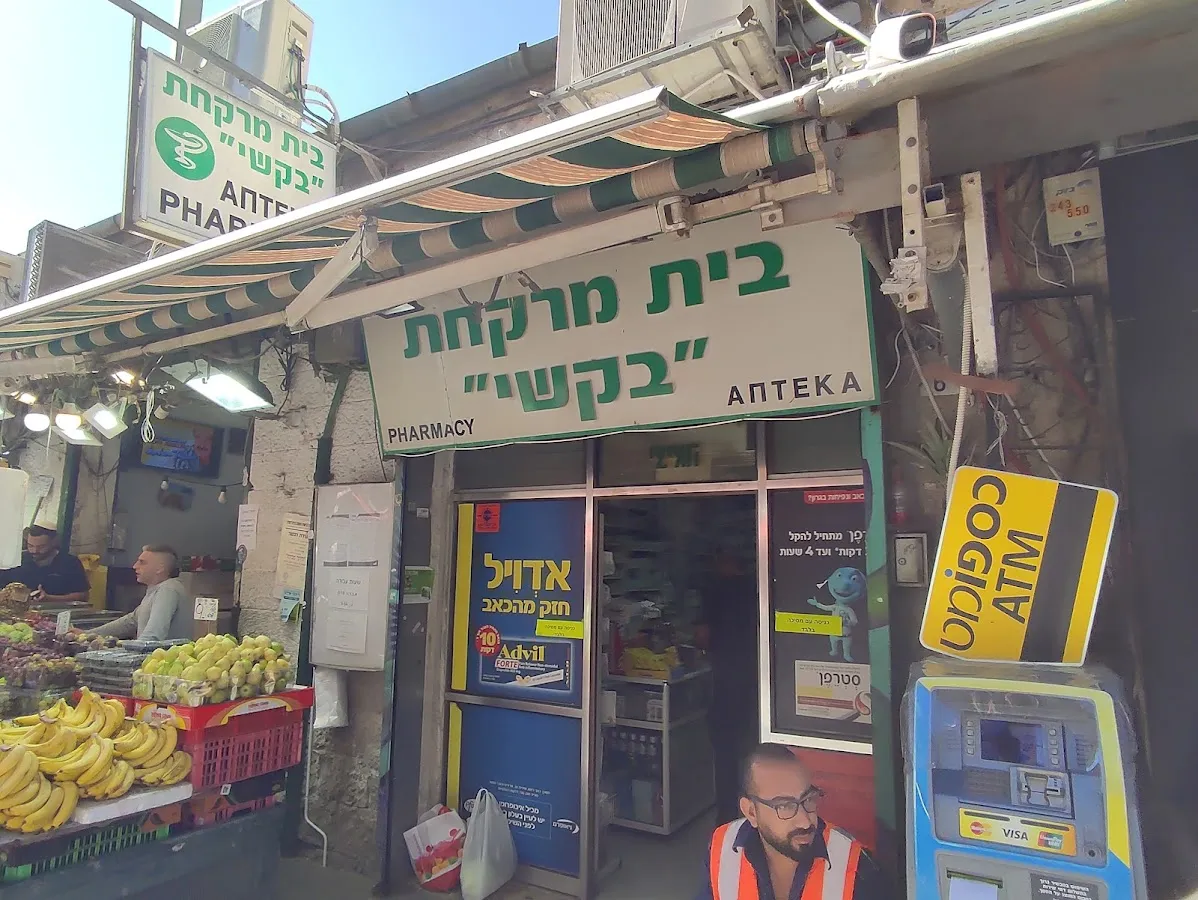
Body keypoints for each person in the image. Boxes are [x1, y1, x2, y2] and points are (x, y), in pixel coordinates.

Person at [697, 743, 890, 900]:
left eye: (808, 799)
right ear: (751, 812)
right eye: (785, 806)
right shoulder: (722, 848)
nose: (805, 821)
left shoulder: (854, 866)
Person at [695, 548, 760, 824]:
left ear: (726, 562)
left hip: (726, 676)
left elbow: (703, 635)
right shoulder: (757, 587)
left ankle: (726, 813)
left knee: (724, 747)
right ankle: (756, 807)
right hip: (755, 675)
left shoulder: (716, 591)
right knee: (751, 742)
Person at [90, 545, 191, 641]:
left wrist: (132, 649)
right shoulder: (155, 590)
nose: (135, 566)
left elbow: (152, 636)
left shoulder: (167, 589)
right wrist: (88, 634)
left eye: (142, 562)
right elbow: (130, 621)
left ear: (160, 568)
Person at [0, 525, 90, 605]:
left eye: (41, 546)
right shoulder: (18, 560)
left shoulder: (70, 563)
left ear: (53, 542)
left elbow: (82, 596)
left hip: (56, 612)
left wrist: (50, 599)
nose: (35, 551)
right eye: (30, 546)